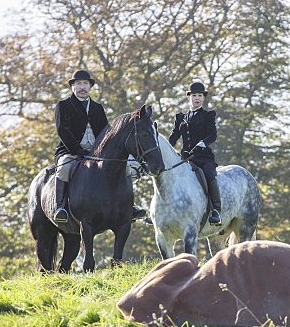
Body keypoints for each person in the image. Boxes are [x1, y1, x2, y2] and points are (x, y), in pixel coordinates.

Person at [53, 70, 147, 224]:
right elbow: (63, 131)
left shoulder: (98, 107)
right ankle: (60, 207)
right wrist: (79, 150)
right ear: (73, 87)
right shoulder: (63, 105)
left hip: (96, 154)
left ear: (90, 87)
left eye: (85, 84)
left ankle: (130, 206)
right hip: (71, 151)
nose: (82, 87)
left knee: (126, 168)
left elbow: (106, 134)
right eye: (78, 84)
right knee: (63, 168)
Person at [169, 81, 222, 225]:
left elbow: (213, 135)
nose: (197, 98)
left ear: (203, 98)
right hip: (185, 159)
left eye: (199, 95)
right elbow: (174, 137)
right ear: (189, 98)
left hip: (204, 158)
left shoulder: (208, 115)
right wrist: (165, 148)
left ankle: (216, 210)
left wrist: (202, 144)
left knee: (210, 175)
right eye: (194, 95)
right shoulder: (180, 118)